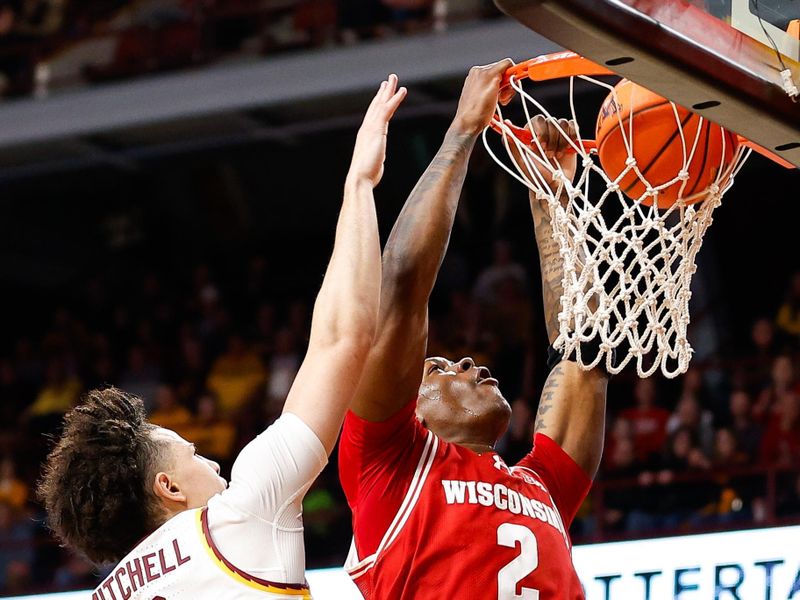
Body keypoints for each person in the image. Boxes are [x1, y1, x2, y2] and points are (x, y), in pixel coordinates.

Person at [36, 75, 407, 599]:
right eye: (193, 456)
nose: (214, 464)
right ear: (169, 488)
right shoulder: (235, 520)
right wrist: (359, 183)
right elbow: (343, 337)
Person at [339, 61, 608, 599]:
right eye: (436, 367)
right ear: (405, 411)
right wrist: (463, 131)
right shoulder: (386, 465)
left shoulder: (540, 486)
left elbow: (586, 356)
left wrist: (553, 198)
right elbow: (401, 289)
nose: (467, 363)